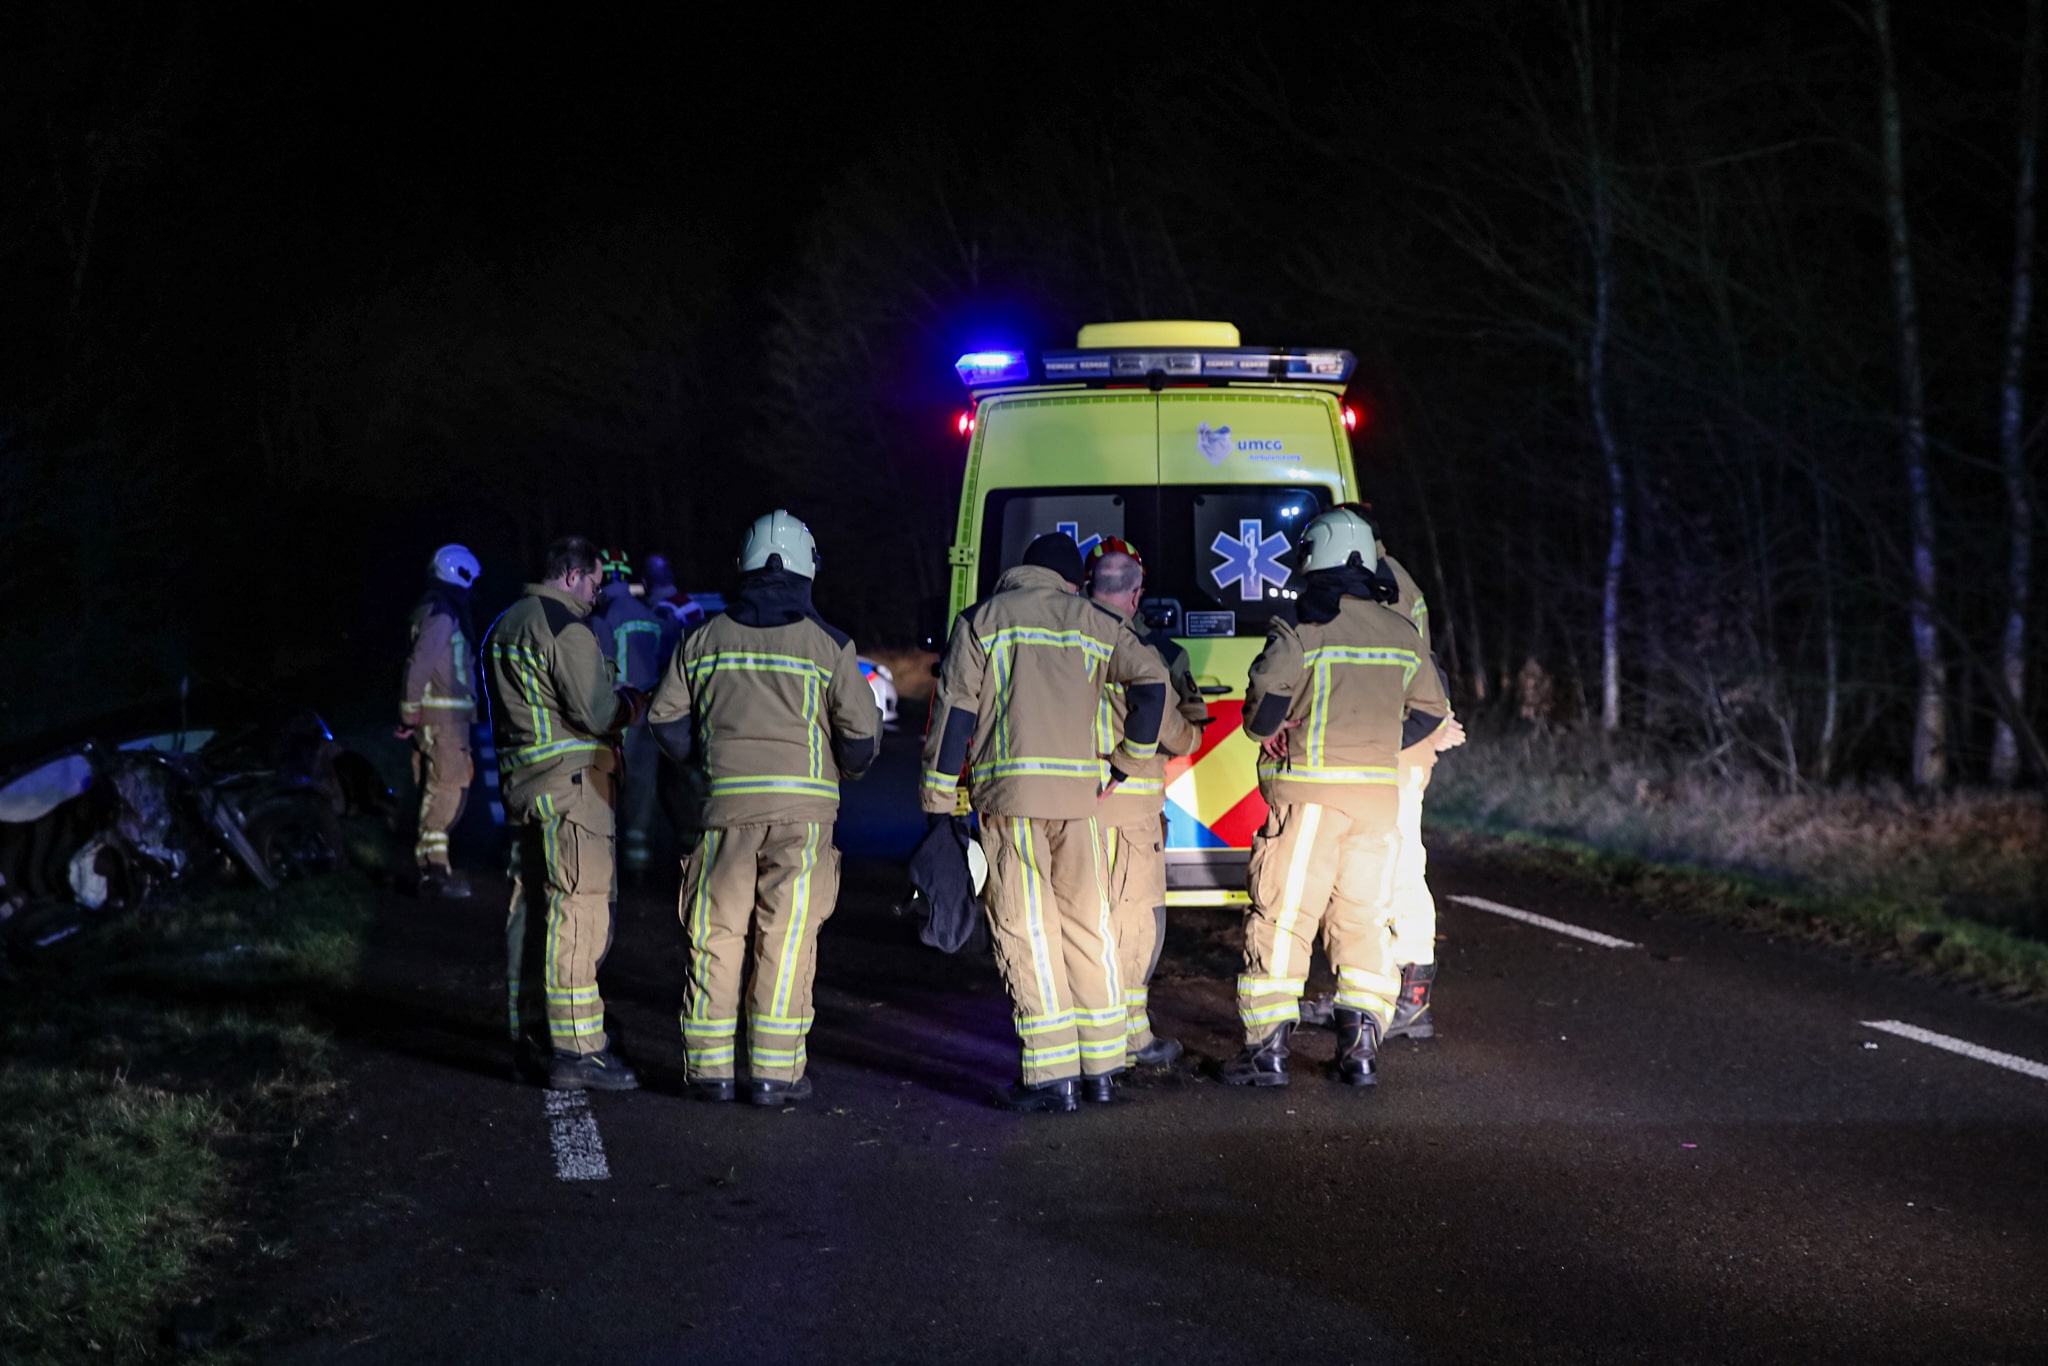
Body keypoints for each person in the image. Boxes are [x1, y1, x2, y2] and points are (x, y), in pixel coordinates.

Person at [921, 533, 1171, 1113]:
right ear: (1065, 579)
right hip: (1083, 804)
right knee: (1089, 926)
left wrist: (937, 804)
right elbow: (1153, 685)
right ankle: (1104, 1069)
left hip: (1010, 803)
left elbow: (956, 715)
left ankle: (1051, 1078)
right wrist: (1128, 763)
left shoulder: (982, 620)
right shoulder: (1092, 620)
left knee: (1027, 931)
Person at [647, 511, 880, 1107]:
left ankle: (708, 1073)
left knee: (716, 936)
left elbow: (665, 720)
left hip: (724, 813)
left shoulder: (701, 638)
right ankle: (776, 1075)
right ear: (806, 569)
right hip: (803, 819)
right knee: (787, 937)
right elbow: (858, 741)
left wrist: (705, 759)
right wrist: (843, 765)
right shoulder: (828, 645)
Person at [1222, 506, 1447, 1090]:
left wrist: (1274, 726)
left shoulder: (1301, 628)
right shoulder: (1401, 633)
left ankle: (1266, 1052)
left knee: (1284, 916)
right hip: (1376, 801)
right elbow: (1431, 710)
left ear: (1313, 556)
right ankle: (1361, 1052)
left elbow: (1262, 714)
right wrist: (1380, 745)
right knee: (1364, 922)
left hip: (1310, 800)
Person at [482, 536, 647, 1091]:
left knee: (532, 912)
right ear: (573, 575)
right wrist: (631, 701)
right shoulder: (565, 626)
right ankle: (579, 1047)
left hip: (525, 790)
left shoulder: (503, 626)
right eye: (595, 583)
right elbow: (597, 712)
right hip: (574, 793)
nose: (597, 595)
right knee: (579, 914)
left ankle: (530, 1027)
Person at [1082, 538, 1207, 1067]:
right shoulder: (1158, 652)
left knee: (1081, 919)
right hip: (1131, 811)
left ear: (1088, 587)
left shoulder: (1058, 638)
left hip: (1068, 806)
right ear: (1136, 595)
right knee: (1134, 923)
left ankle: (1080, 1035)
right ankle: (1128, 1040)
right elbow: (1184, 733)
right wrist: (1180, 733)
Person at [398, 544, 480, 899]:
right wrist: (408, 712)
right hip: (444, 719)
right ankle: (433, 871)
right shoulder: (444, 615)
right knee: (447, 788)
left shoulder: (431, 610)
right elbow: (419, 664)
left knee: (441, 788)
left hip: (442, 719)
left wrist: (411, 715)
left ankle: (435, 866)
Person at [594, 551, 665, 885]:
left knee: (607, 784)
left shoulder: (604, 616)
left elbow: (599, 669)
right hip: (649, 710)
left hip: (619, 712)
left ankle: (606, 857)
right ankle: (640, 858)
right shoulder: (650, 616)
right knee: (642, 786)